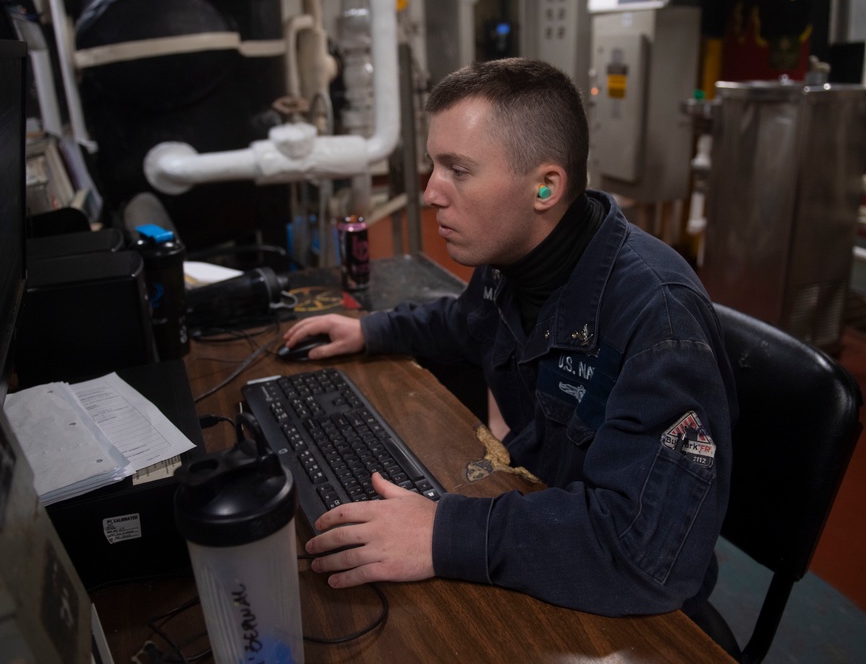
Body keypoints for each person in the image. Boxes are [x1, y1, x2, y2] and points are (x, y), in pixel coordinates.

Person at [282, 58, 738, 617]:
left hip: (632, 602)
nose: (430, 192)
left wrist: (442, 533)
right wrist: (370, 330)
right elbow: (464, 324)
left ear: (546, 187)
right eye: (432, 166)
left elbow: (642, 551)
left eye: (458, 170)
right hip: (541, 515)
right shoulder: (514, 260)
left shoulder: (659, 321)